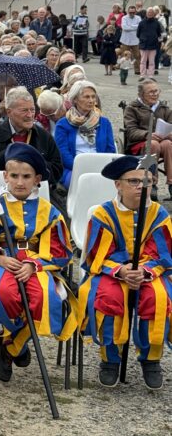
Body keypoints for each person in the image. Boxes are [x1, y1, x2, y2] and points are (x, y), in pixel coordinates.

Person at [0, 143, 78, 382]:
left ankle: (10, 347)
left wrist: (33, 265)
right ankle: (17, 343)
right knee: (0, 292)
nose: (19, 182)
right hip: (1, 263)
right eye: (14, 176)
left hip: (36, 264)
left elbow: (59, 250)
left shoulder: (49, 212)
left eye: (26, 177)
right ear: (5, 176)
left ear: (37, 179)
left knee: (44, 297)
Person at [78, 156, 172, 389]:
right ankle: (110, 358)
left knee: (158, 297)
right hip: (111, 273)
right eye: (133, 181)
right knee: (109, 297)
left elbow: (162, 253)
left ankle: (151, 358)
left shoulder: (159, 214)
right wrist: (121, 270)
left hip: (147, 272)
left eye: (147, 182)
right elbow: (96, 255)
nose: (141, 186)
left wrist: (143, 271)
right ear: (118, 185)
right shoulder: (103, 214)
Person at [0, 87, 63, 191]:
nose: (30, 115)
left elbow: (57, 170)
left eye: (32, 110)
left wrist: (34, 160)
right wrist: (9, 153)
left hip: (37, 192)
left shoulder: (43, 136)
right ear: (9, 112)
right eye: (24, 110)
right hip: (1, 192)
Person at [54, 80, 116, 188]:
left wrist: (101, 167)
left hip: (101, 168)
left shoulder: (104, 122)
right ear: (75, 99)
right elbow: (63, 153)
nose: (91, 100)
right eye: (86, 97)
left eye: (93, 97)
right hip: (73, 168)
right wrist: (81, 168)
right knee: (82, 184)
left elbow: (110, 150)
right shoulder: (63, 124)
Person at [137, 7, 163, 78]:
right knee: (143, 61)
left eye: (151, 13)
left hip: (153, 45)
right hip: (144, 45)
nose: (150, 14)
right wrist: (143, 39)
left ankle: (151, 75)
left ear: (154, 14)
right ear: (146, 13)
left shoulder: (157, 23)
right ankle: (142, 75)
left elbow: (159, 33)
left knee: (152, 61)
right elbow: (138, 34)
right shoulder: (141, 23)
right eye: (149, 12)